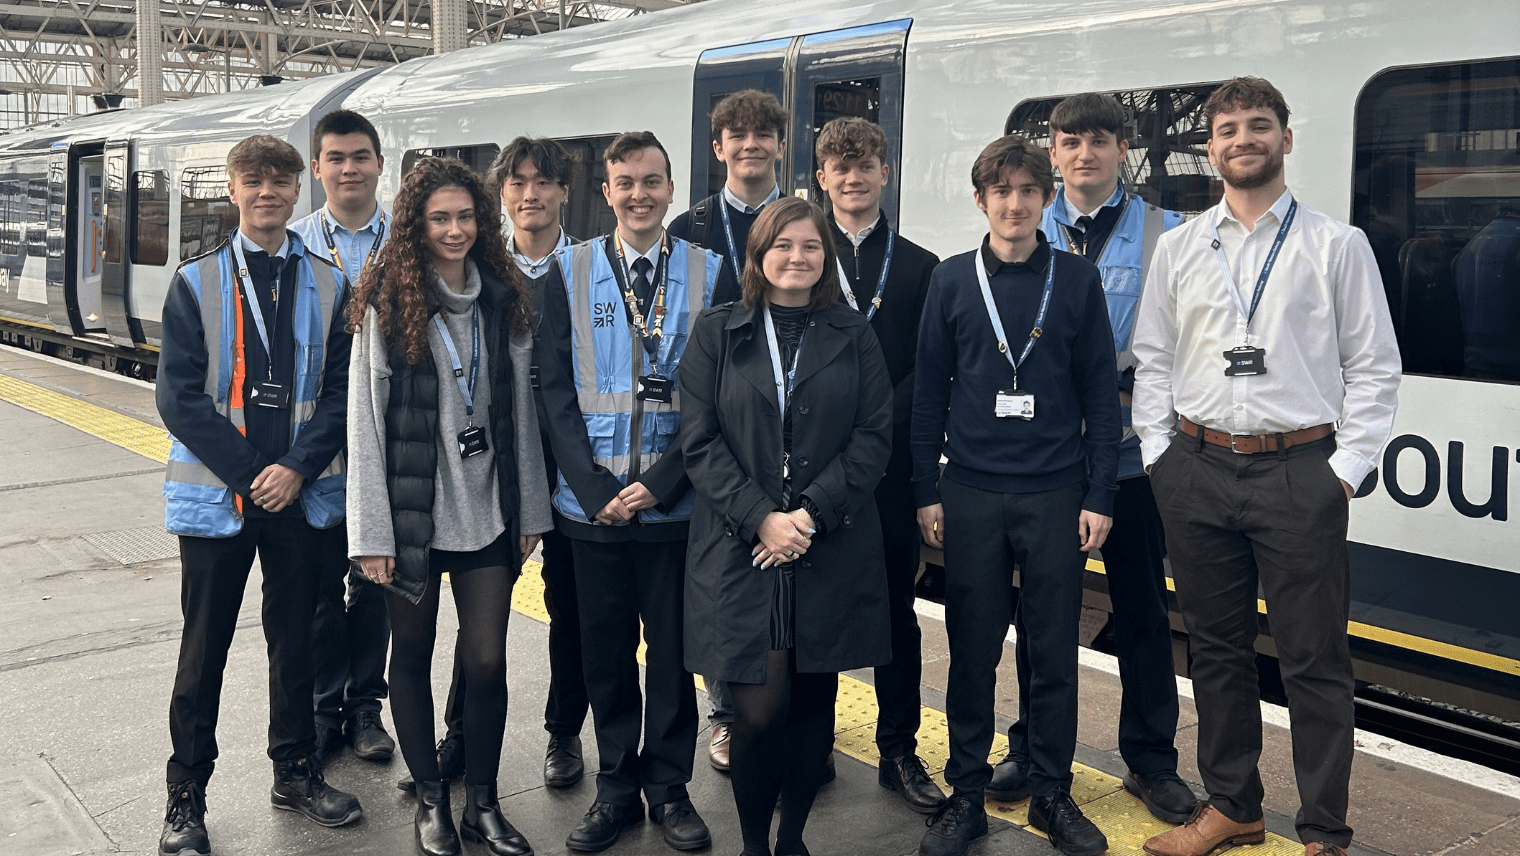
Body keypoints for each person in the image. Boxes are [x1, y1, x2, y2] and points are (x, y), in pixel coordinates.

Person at [1132, 77, 1401, 856]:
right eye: (1226, 129)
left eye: (1258, 125)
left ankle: (1324, 832)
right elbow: (1152, 361)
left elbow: (1376, 368)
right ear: (1208, 147)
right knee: (1215, 650)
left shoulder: (1336, 245)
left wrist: (1344, 469)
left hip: (1299, 473)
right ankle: (1233, 806)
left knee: (1315, 659)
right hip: (1197, 468)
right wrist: (1160, 457)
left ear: (1286, 139)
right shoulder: (1181, 247)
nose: (1241, 138)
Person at [983, 93, 1196, 823]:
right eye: (1069, 141)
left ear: (1121, 148)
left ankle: (1151, 761)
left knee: (1141, 612)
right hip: (1045, 461)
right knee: (1041, 614)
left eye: (1099, 140)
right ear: (1053, 150)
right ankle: (1033, 746)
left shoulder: (1169, 233)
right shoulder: (1021, 227)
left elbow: (1187, 342)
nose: (1083, 154)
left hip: (1133, 461)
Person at [912, 135, 1121, 856]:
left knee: (1054, 649)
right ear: (981, 201)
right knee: (971, 649)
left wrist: (1100, 494)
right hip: (968, 491)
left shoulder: (1077, 278)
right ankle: (965, 794)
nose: (1014, 203)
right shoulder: (949, 281)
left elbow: (1100, 391)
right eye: (1000, 191)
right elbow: (927, 395)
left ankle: (1052, 794)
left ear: (1047, 198)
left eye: (1028, 190)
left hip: (1057, 493)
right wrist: (924, 491)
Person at [156, 134, 360, 856]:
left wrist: (297, 469)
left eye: (281, 179)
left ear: (296, 190)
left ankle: (295, 769)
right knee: (202, 649)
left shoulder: (332, 283)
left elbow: (341, 395)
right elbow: (179, 399)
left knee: (300, 640)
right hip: (221, 501)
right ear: (233, 191)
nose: (268, 190)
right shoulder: (196, 282)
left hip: (300, 499)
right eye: (254, 179)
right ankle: (186, 796)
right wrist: (254, 474)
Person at [346, 156, 552, 856]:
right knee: (412, 653)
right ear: (417, 225)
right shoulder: (387, 303)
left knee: (488, 661)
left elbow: (521, 411)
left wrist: (531, 514)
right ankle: (431, 800)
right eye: (441, 218)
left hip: (489, 510)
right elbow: (365, 424)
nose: (456, 229)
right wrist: (370, 531)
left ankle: (483, 805)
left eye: (467, 216)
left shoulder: (503, 299)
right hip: (411, 517)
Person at [681, 196, 893, 856]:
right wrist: (760, 518)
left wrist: (807, 514)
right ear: (758, 255)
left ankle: (794, 839)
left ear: (825, 257)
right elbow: (698, 440)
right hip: (742, 550)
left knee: (811, 710)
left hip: (825, 543)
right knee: (758, 711)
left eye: (810, 246)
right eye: (783, 245)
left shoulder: (852, 332)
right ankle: (752, 844)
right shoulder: (718, 331)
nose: (797, 257)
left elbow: (874, 434)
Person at [538, 131, 721, 853]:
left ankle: (669, 788)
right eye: (625, 182)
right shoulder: (568, 271)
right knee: (605, 651)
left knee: (673, 652)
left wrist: (659, 482)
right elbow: (552, 391)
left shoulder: (711, 273)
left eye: (652, 181)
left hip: (676, 506)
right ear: (606, 192)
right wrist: (592, 488)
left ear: (671, 190)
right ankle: (616, 786)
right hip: (592, 511)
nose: (639, 194)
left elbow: (719, 397)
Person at [414, 136, 590, 794]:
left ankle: (563, 731)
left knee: (566, 603)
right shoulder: (484, 270)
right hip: (496, 468)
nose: (530, 194)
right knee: (478, 606)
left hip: (571, 465)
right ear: (501, 194)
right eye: (516, 182)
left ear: (565, 192)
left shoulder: (587, 269)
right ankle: (460, 734)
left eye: (544, 181)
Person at [812, 116, 945, 813]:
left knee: (897, 611)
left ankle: (899, 748)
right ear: (820, 178)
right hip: (816, 473)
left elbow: (930, 372)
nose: (853, 176)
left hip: (889, 474)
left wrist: (871, 429)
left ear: (885, 174)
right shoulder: (800, 256)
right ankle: (815, 744)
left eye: (865, 165)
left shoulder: (923, 268)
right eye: (840, 165)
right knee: (821, 607)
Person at [291, 108, 396, 770]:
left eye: (361, 156)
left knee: (377, 584)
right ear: (318, 168)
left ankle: (366, 708)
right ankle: (323, 707)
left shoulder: (408, 242)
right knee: (320, 587)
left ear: (380, 164)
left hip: (386, 445)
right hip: (320, 443)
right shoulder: (295, 244)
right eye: (337, 157)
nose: (349, 168)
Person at [668, 89, 785, 369]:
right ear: (719, 149)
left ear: (781, 147)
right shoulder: (686, 230)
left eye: (763, 134)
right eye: (737, 135)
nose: (751, 144)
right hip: (713, 384)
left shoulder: (807, 227)